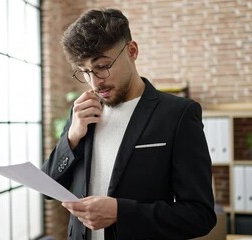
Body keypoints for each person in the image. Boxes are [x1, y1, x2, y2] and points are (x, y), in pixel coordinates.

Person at [42, 8, 216, 240]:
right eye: (85, 72)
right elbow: (47, 189)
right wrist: (72, 138)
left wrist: (120, 212)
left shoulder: (179, 114)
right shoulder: (81, 112)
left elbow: (200, 216)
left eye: (103, 66)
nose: (95, 82)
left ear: (132, 51)